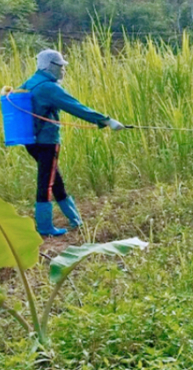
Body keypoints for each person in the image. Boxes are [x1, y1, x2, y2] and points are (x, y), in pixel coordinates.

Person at [20, 49, 125, 237]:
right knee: (46, 182)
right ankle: (44, 228)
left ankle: (75, 219)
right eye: (61, 66)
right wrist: (106, 120)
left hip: (31, 141)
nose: (63, 70)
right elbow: (75, 106)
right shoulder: (48, 87)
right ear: (51, 66)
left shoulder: (30, 82)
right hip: (46, 141)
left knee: (54, 178)